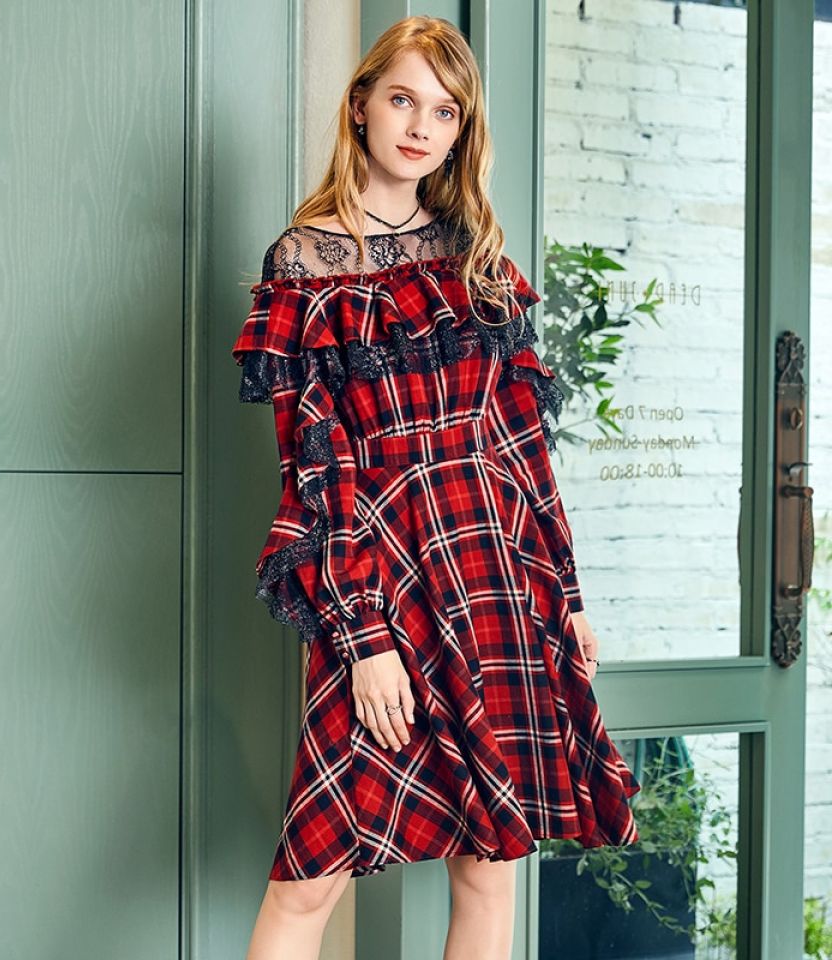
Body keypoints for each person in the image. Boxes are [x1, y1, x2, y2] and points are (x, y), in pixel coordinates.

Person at [231, 15, 641, 960]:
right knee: (308, 883)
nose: (421, 126)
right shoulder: (305, 263)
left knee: (490, 869)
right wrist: (362, 638)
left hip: (495, 570)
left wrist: (567, 595)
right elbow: (315, 471)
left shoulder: (479, 257)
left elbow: (524, 447)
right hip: (380, 578)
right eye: (403, 99)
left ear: (463, 130)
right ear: (361, 106)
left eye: (446, 110)